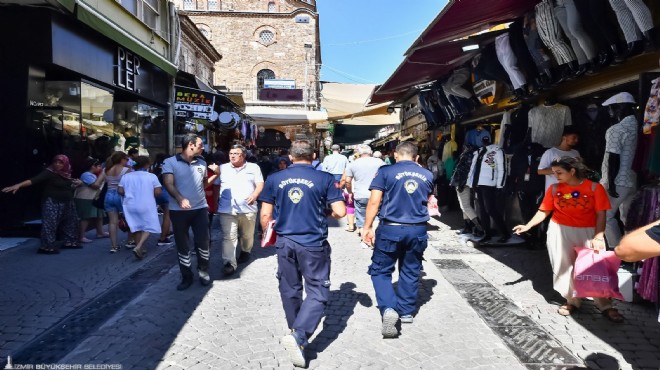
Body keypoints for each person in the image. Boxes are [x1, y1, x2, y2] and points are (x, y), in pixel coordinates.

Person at [258, 140, 346, 368]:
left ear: (290, 156)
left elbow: (265, 215)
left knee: (289, 287)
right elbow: (340, 211)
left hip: (285, 242)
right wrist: (325, 213)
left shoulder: (275, 178)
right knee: (318, 290)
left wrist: (268, 236)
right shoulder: (325, 178)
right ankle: (299, 335)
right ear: (314, 155)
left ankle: (295, 328)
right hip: (312, 242)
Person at [512, 157, 624, 323]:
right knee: (563, 265)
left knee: (595, 268)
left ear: (572, 171)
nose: (555, 175)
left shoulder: (594, 188)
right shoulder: (554, 188)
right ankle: (572, 300)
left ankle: (605, 304)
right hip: (559, 231)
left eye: (559, 172)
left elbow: (601, 214)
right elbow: (544, 211)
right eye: (554, 172)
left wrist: (599, 236)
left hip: (588, 231)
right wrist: (528, 226)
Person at [362, 141, 434, 338]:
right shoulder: (427, 174)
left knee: (380, 271)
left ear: (395, 155)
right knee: (411, 270)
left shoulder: (385, 172)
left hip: (390, 228)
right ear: (417, 157)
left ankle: (388, 308)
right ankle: (407, 311)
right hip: (417, 229)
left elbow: (374, 201)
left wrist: (366, 227)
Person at [162, 134, 219, 290]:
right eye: (201, 144)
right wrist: (180, 198)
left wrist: (216, 175)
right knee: (182, 244)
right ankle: (186, 276)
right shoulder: (170, 162)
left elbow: (203, 184)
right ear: (190, 145)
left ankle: (203, 271)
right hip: (178, 210)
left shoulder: (202, 162)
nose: (203, 147)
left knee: (203, 242)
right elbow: (168, 183)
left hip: (200, 209)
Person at [2, 154, 82, 254]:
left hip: (67, 202)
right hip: (52, 202)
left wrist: (79, 183)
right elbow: (33, 180)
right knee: (50, 224)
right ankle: (47, 247)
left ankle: (70, 242)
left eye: (60, 163)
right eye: (55, 162)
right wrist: (18, 185)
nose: (57, 164)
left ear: (65, 164)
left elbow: (69, 184)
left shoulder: (67, 172)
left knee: (71, 222)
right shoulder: (49, 172)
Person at [214, 144, 264, 276]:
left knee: (247, 235)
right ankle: (229, 263)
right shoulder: (222, 168)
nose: (232, 156)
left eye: (236, 153)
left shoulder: (254, 167)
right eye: (231, 153)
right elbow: (214, 185)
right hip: (227, 209)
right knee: (228, 237)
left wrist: (254, 195)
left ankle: (246, 251)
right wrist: (214, 202)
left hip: (248, 208)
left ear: (244, 155)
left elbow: (260, 183)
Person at [600, 92, 639, 249]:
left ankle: (618, 251)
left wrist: (610, 182)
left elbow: (613, 158)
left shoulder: (616, 129)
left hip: (617, 180)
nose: (610, 112)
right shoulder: (639, 127)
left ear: (619, 108)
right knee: (629, 217)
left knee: (605, 215)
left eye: (611, 108)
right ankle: (635, 252)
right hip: (633, 178)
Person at [118, 156, 162, 260]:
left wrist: (130, 192)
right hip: (146, 203)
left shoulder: (126, 176)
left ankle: (141, 248)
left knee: (136, 226)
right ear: (146, 165)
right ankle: (138, 246)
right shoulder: (151, 176)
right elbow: (158, 192)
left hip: (130, 204)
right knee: (149, 225)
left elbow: (120, 191)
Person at [344, 144, 384, 246]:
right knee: (376, 217)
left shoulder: (353, 164)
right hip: (377, 194)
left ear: (359, 153)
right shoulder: (380, 162)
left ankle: (365, 241)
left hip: (360, 194)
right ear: (370, 152)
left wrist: (349, 192)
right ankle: (374, 240)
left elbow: (347, 181)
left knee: (361, 219)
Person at [95, 151, 132, 253]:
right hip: (122, 196)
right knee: (129, 219)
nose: (127, 161)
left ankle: (114, 246)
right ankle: (130, 241)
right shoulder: (127, 170)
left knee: (112, 222)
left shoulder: (105, 170)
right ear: (122, 159)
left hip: (109, 195)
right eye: (126, 159)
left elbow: (97, 183)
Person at [74, 157, 108, 243]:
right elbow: (95, 186)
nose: (100, 168)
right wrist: (102, 176)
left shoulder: (93, 175)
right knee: (86, 217)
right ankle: (81, 236)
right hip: (86, 198)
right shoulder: (86, 175)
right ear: (93, 166)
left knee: (99, 216)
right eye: (99, 166)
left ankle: (100, 232)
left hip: (94, 198)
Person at [150, 153, 173, 246]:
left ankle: (167, 231)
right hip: (165, 190)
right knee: (167, 215)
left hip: (155, 191)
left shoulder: (153, 167)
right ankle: (163, 237)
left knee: (164, 212)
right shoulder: (168, 166)